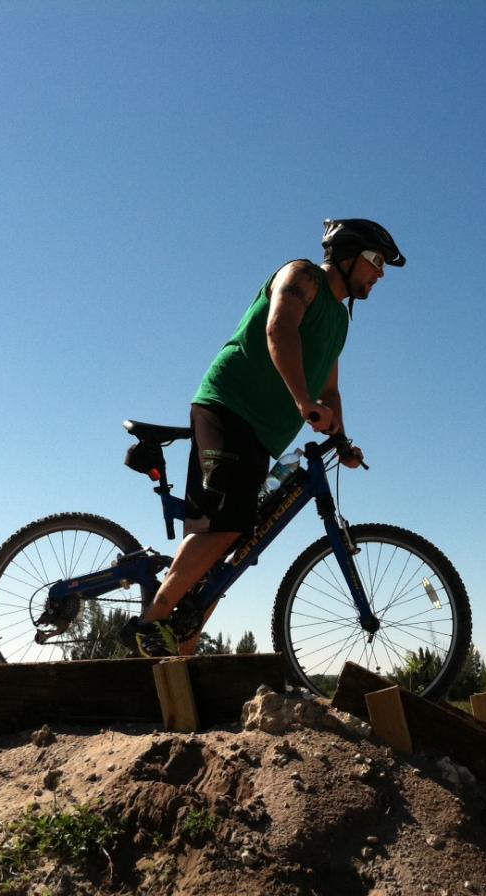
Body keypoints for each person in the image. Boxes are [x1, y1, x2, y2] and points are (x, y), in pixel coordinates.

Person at [120, 218, 406, 658]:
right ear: (347, 255)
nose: (380, 273)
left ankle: (180, 662)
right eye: (375, 261)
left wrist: (343, 441)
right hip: (228, 407)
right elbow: (279, 330)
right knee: (226, 524)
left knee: (232, 552)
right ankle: (152, 620)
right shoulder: (302, 276)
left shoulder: (341, 323)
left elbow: (331, 389)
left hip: (263, 436)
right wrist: (301, 400)